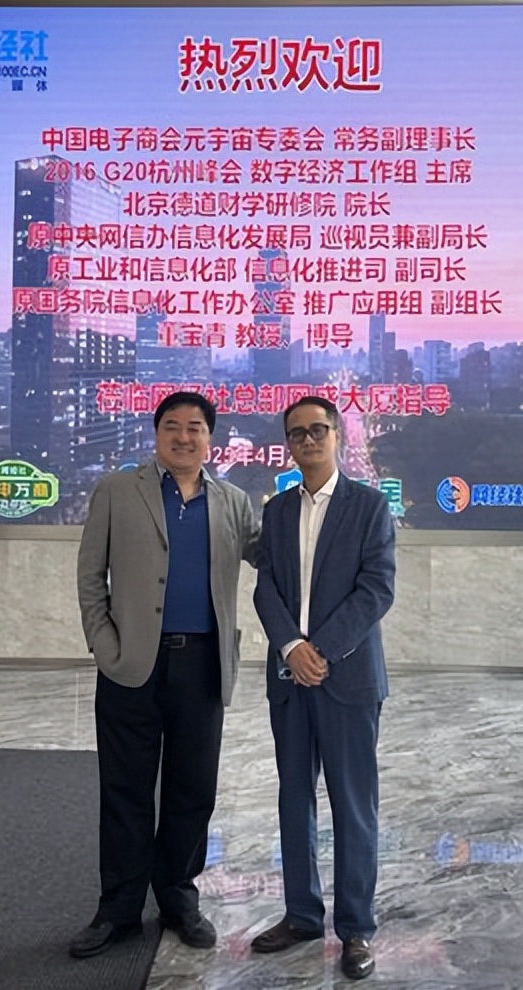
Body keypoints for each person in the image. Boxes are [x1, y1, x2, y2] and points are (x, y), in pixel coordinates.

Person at [71, 391, 259, 958]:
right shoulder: (116, 491)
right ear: (156, 434)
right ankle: (119, 910)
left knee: (193, 790)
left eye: (195, 427)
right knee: (125, 790)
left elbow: (275, 558)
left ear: (209, 439)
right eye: (172, 426)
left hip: (202, 666)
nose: (183, 436)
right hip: (132, 664)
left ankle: (178, 899)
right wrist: (106, 646)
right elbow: (90, 576)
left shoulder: (232, 501)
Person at [250, 396, 396, 981]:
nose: (307, 440)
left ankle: (356, 928)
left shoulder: (369, 506)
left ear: (337, 435)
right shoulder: (278, 510)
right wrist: (292, 648)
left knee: (353, 805)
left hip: (348, 679)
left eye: (317, 430)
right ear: (288, 443)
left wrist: (322, 650)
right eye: (297, 433)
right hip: (291, 679)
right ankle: (302, 915)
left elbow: (376, 589)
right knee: (294, 799)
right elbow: (265, 587)